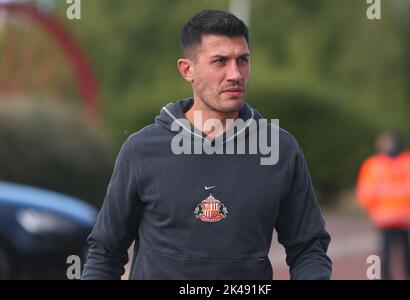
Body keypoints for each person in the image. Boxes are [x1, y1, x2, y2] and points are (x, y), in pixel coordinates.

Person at [81, 9, 332, 280]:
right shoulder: (141, 149)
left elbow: (308, 248)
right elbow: (106, 251)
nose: (235, 74)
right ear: (187, 69)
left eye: (243, 60)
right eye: (220, 61)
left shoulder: (280, 150)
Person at [356, 131, 410, 280]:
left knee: (392, 254)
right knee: (402, 255)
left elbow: (364, 193)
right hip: (397, 217)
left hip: (391, 217)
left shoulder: (373, 165)